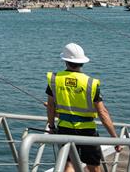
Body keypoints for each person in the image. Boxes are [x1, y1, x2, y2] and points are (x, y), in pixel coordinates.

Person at [46, 43, 122, 172]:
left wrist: (52, 126)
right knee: (93, 166)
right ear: (82, 62)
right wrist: (115, 138)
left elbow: (50, 106)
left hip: (64, 128)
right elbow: (102, 113)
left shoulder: (55, 79)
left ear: (65, 61)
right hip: (87, 131)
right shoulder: (90, 83)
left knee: (68, 164)